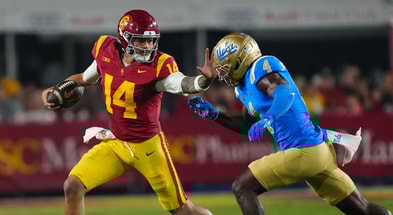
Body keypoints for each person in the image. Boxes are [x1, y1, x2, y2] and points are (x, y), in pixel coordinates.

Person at [187, 32, 392, 215]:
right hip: (315, 152)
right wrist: (215, 115)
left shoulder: (259, 68)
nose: (223, 74)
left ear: (241, 61)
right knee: (362, 208)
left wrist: (269, 117)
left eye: (226, 68)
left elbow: (285, 92)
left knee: (242, 188)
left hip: (304, 150)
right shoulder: (243, 88)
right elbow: (245, 125)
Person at [41, 9, 215, 215]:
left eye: (151, 41)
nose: (148, 46)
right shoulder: (107, 52)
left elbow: (185, 84)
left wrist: (204, 80)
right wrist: (54, 90)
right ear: (125, 39)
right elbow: (84, 79)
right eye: (141, 41)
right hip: (116, 142)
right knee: (72, 185)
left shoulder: (159, 65)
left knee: (183, 210)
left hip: (148, 147)